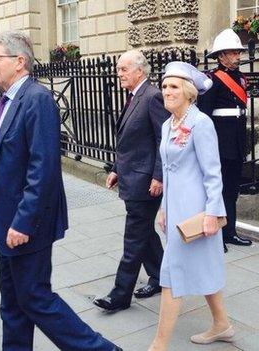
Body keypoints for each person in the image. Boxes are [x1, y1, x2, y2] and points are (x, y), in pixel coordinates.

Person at [0, 30, 121, 351]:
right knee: (13, 303)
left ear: (19, 62)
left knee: (35, 297)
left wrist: (23, 221)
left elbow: (42, 170)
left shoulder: (38, 100)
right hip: (6, 222)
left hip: (27, 224)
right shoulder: (9, 99)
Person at [149, 61, 232, 350]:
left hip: (197, 211)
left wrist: (212, 213)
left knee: (171, 273)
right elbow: (170, 170)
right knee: (202, 268)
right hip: (175, 210)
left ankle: (159, 344)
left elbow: (213, 172)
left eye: (173, 87)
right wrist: (163, 206)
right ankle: (222, 324)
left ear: (188, 92)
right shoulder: (166, 124)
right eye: (164, 86)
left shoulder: (201, 123)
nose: (167, 91)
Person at [93, 50, 169, 312]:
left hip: (145, 181)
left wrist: (159, 176)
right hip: (132, 177)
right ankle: (161, 275)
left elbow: (163, 140)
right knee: (144, 231)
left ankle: (119, 295)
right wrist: (116, 169)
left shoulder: (152, 97)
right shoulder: (134, 96)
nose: (119, 73)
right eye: (119, 68)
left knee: (133, 239)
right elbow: (130, 143)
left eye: (124, 69)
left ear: (140, 71)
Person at [199, 28, 253, 253]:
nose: (238, 57)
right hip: (220, 143)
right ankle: (215, 235)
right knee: (217, 191)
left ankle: (230, 231)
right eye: (233, 53)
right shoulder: (212, 80)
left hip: (237, 141)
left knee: (232, 190)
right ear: (221, 56)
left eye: (238, 53)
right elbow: (204, 116)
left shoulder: (240, 78)